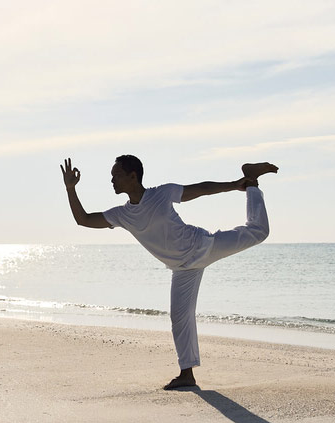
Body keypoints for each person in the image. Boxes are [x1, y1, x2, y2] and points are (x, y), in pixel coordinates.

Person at [60, 155, 278, 390]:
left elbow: (201, 189)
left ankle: (252, 179)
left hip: (202, 247)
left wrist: (236, 184)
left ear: (133, 176)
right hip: (182, 268)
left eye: (116, 175)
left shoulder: (160, 194)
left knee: (259, 232)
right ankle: (187, 374)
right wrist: (70, 189)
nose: (112, 180)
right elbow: (83, 220)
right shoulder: (121, 215)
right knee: (180, 317)